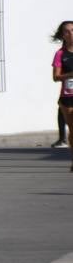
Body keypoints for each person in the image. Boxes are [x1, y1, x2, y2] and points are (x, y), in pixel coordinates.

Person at [52, 21, 73, 164]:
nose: (71, 33)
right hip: (68, 97)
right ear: (62, 35)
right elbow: (55, 77)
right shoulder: (60, 54)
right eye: (67, 31)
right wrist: (70, 75)